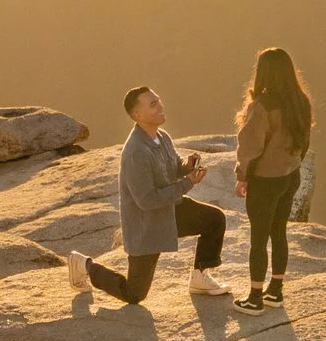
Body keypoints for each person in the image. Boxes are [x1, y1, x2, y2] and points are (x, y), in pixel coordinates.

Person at [83, 85, 230, 307]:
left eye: (158, 101)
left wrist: (185, 166)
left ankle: (200, 278)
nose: (160, 106)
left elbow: (171, 166)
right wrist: (188, 182)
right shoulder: (135, 152)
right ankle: (86, 267)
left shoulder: (162, 137)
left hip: (170, 211)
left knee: (214, 219)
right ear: (137, 115)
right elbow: (147, 200)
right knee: (134, 294)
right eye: (153, 104)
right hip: (147, 225)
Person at [233, 43, 313, 310]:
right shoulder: (300, 101)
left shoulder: (262, 107)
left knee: (258, 238)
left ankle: (255, 298)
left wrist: (242, 175)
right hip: (290, 176)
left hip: (265, 181)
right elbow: (305, 141)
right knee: (279, 233)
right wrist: (293, 163)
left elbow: (250, 147)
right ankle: (275, 291)